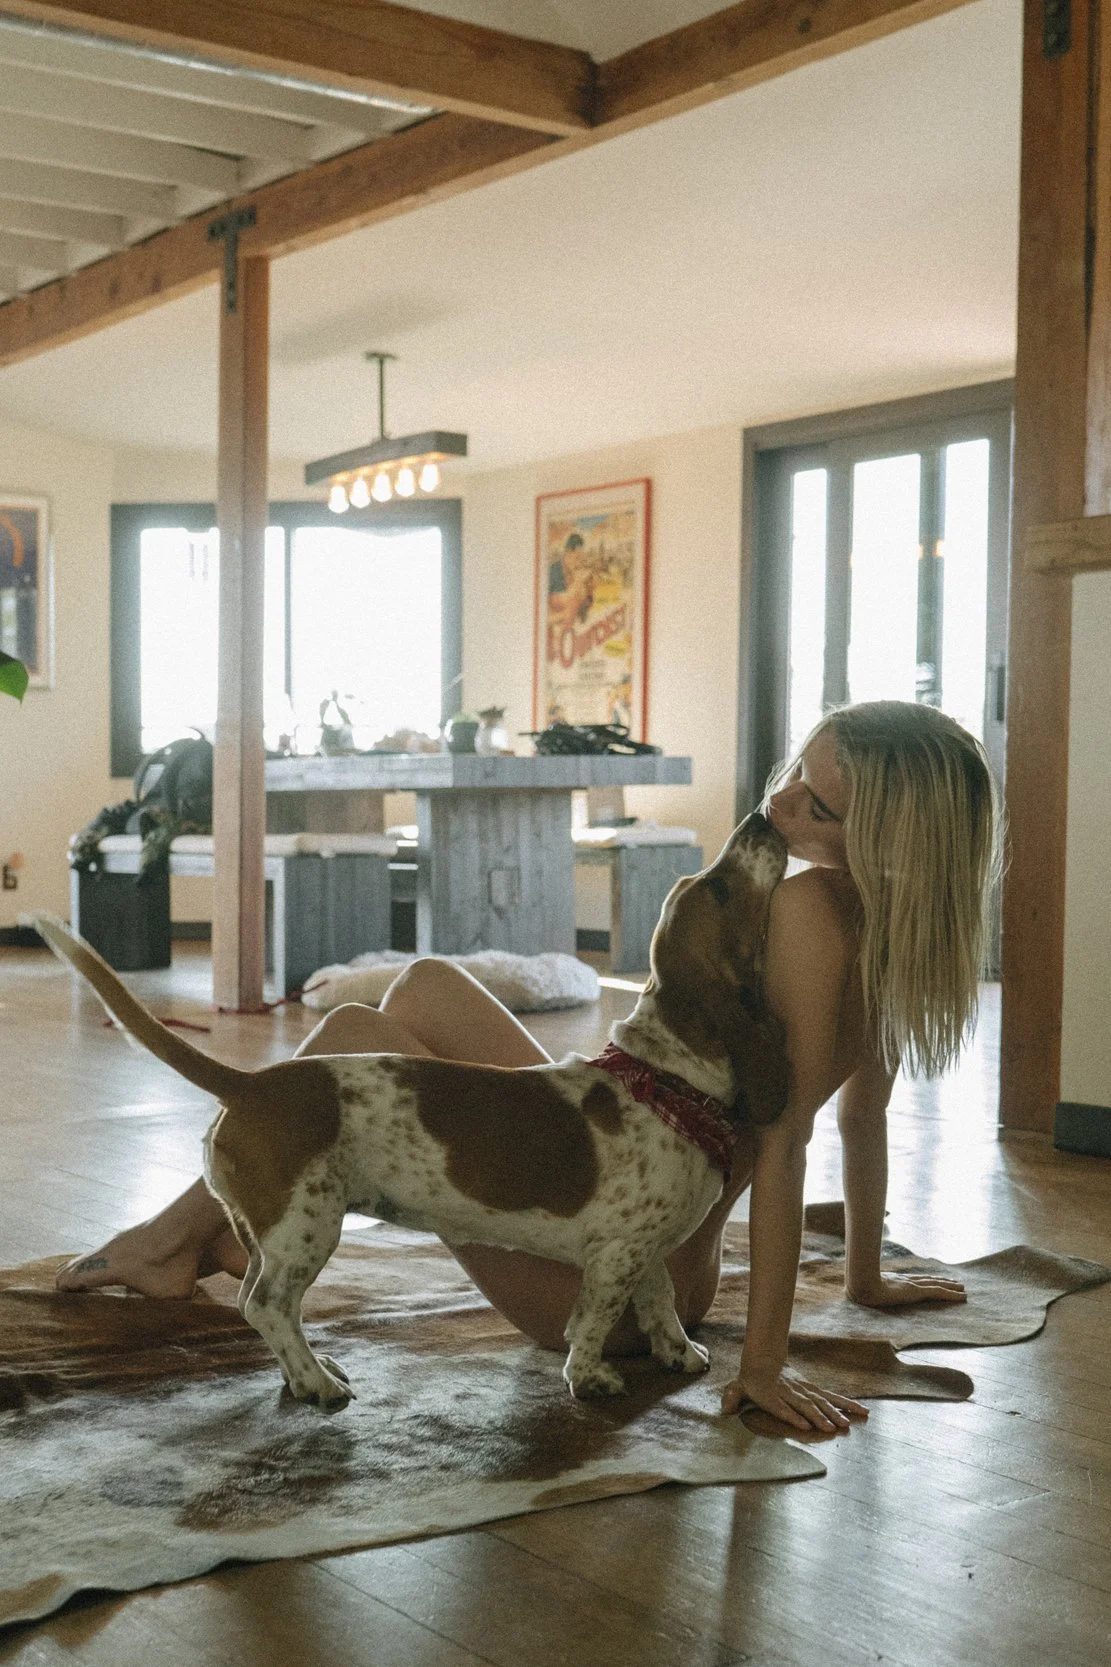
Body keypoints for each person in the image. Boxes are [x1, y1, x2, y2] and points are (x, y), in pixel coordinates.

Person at [56, 699, 999, 1437]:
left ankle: (172, 1240)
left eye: (816, 805)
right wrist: (866, 1278)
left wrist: (759, 1368)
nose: (778, 803)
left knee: (349, 1031)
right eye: (796, 772)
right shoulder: (898, 931)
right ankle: (188, 1233)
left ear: (884, 837)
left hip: (627, 1264)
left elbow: (785, 1144)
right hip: (632, 1143)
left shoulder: (809, 914)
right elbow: (862, 1119)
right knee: (422, 986)